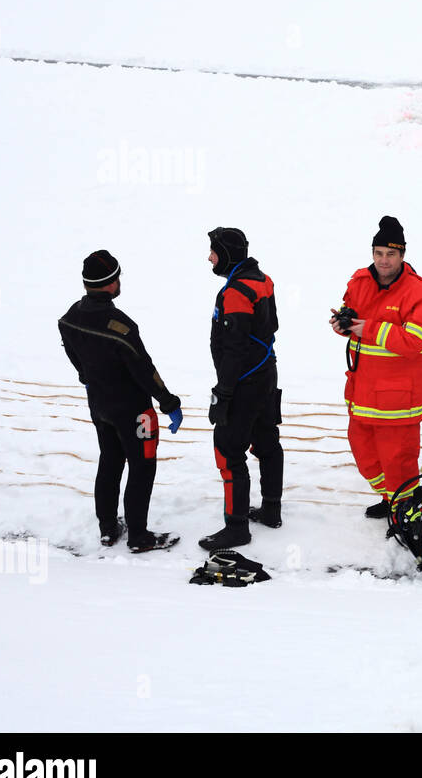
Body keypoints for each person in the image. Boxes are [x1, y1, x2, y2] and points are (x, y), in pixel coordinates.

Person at [58, 250, 182, 552]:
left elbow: (74, 357)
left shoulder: (69, 318)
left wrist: (86, 376)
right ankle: (138, 536)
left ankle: (108, 528)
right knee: (142, 466)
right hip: (134, 411)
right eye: (118, 277)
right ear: (110, 283)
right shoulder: (121, 327)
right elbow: (143, 369)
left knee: (110, 461)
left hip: (99, 405)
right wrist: (169, 402)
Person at [332, 216, 422, 522]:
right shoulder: (359, 282)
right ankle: (391, 499)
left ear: (403, 255)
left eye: (390, 254)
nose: (383, 260)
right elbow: (351, 319)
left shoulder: (418, 292)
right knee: (366, 456)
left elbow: (416, 340)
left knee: (398, 462)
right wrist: (344, 324)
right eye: (378, 253)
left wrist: (369, 329)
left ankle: (405, 513)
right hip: (362, 391)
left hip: (397, 400)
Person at [199, 227, 284, 551]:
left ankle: (236, 529)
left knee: (228, 448)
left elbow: (233, 348)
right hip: (266, 374)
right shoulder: (262, 279)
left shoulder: (235, 291)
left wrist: (223, 391)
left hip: (245, 380)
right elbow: (270, 326)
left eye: (214, 251)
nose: (210, 257)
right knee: (266, 442)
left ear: (228, 253)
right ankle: (272, 510)